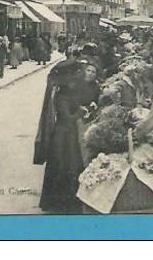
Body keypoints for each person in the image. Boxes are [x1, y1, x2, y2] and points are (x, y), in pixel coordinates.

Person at [34, 59, 100, 213]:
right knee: (66, 166)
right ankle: (62, 204)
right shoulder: (60, 96)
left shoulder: (67, 92)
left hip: (69, 133)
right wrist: (81, 111)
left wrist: (84, 107)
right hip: (63, 135)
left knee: (67, 166)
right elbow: (67, 117)